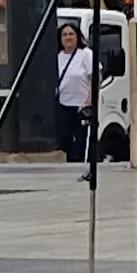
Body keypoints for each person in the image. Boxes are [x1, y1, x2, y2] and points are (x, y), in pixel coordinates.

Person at [51, 21, 96, 173]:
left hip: (81, 106)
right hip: (63, 105)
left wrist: (90, 100)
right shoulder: (56, 57)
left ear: (77, 37)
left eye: (71, 34)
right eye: (64, 34)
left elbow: (96, 78)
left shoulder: (86, 55)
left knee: (81, 140)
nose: (68, 37)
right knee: (64, 139)